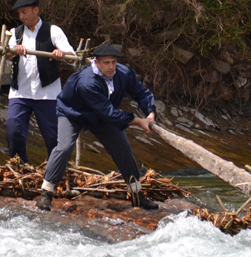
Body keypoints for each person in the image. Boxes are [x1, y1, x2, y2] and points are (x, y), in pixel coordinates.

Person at [36, 44, 159, 211]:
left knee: (123, 149)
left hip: (102, 116)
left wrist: (150, 113)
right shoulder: (87, 82)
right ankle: (46, 192)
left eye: (114, 62)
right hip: (73, 113)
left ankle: (137, 195)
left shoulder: (123, 73)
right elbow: (110, 114)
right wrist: (138, 121)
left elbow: (141, 93)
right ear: (96, 62)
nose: (111, 67)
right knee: (64, 148)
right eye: (106, 63)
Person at [6, 0, 76, 163]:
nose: (22, 17)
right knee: (13, 130)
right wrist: (14, 49)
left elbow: (72, 56)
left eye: (25, 12)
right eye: (19, 14)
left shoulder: (53, 31)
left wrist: (62, 54)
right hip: (20, 93)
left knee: (53, 137)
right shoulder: (15, 33)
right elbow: (6, 54)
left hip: (47, 94)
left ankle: (55, 170)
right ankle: (19, 166)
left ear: (36, 10)